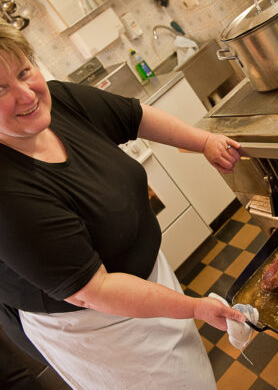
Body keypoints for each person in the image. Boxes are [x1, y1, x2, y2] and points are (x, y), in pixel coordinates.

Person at [0, 21, 245, 390]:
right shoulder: (8, 195)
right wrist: (193, 308)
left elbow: (134, 116)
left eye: (24, 72)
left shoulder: (59, 101)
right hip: (99, 326)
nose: (26, 94)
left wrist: (205, 141)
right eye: (0, 89)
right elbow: (93, 291)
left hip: (144, 286)